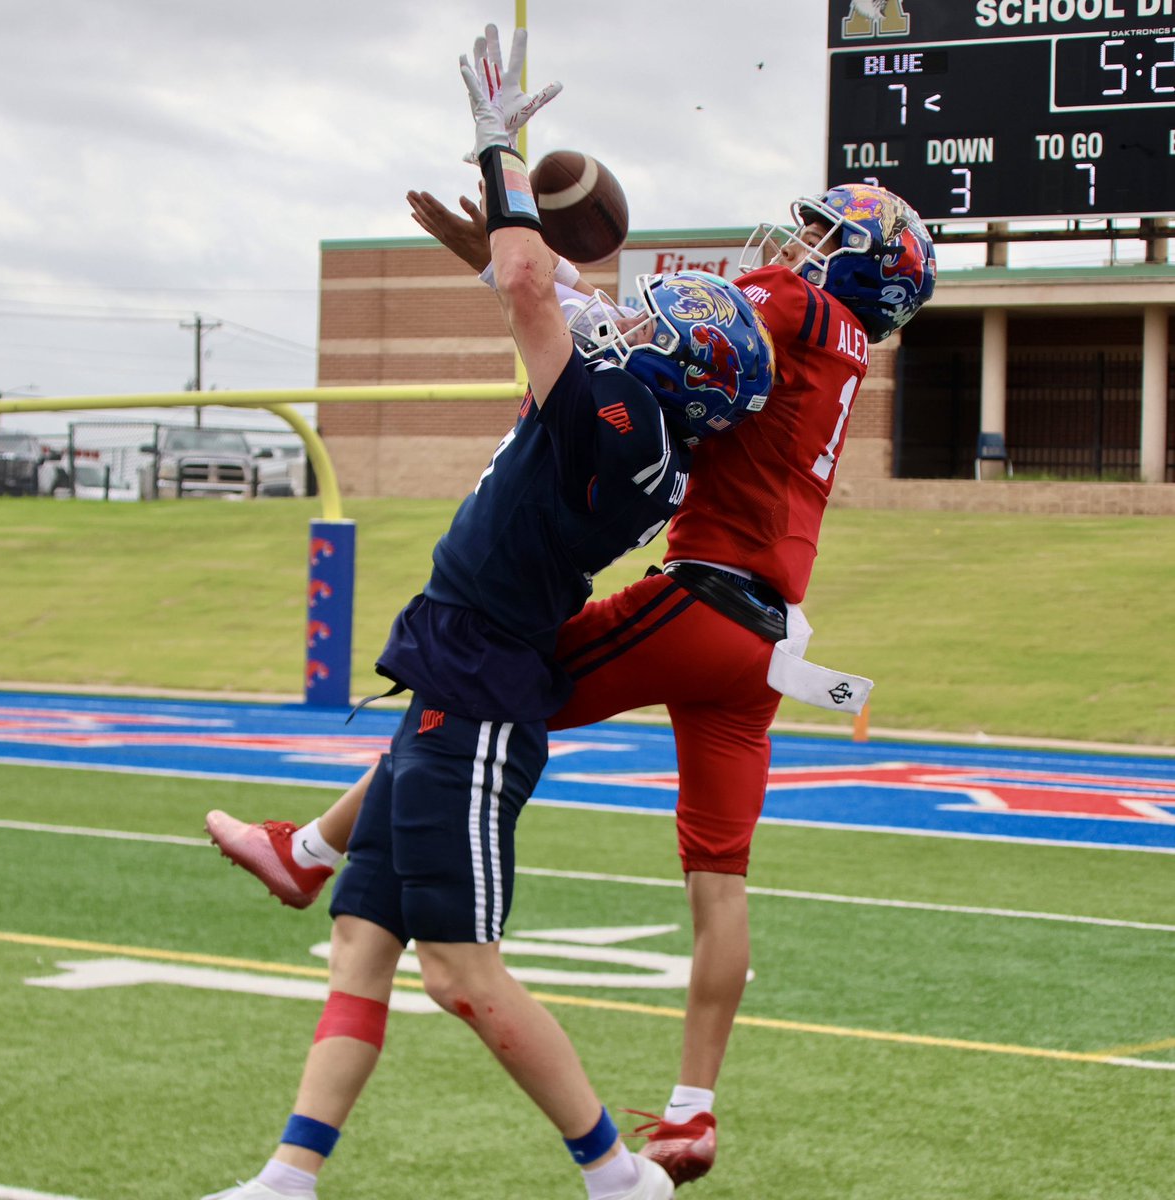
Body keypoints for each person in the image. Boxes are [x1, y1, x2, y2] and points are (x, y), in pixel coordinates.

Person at [208, 153, 936, 1192]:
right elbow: (632, 343)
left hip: (699, 598)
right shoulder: (837, 351)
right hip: (768, 637)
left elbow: (642, 334)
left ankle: (318, 850)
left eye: (822, 239)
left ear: (856, 268)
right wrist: (518, 274)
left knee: (470, 688)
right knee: (717, 881)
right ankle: (692, 1107)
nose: (796, 247)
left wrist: (521, 251)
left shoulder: (783, 317)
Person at [200, 25, 775, 1200]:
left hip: (480, 701)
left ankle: (617, 1176)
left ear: (688, 371)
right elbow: (549, 300)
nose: (646, 318)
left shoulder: (622, 419)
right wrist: (494, 231)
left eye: (675, 325)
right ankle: (287, 1177)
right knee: (361, 945)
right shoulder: (636, 417)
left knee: (460, 973)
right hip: (454, 672)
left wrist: (497, 146)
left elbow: (534, 289)